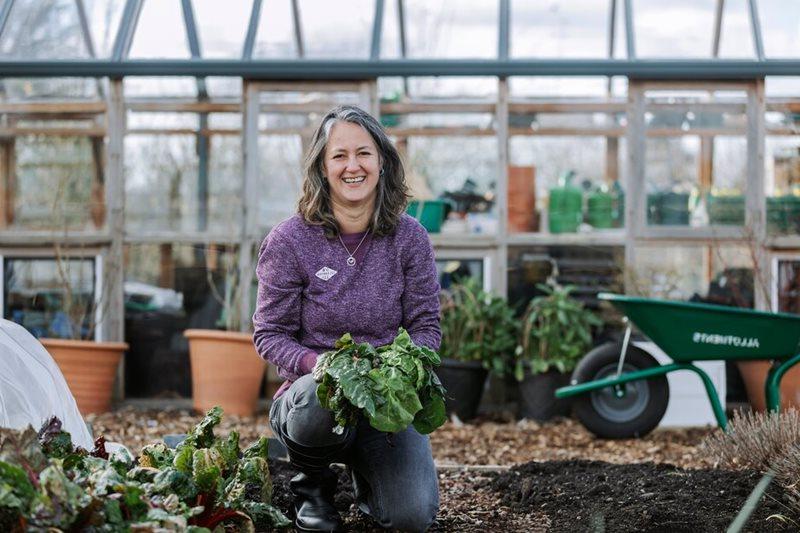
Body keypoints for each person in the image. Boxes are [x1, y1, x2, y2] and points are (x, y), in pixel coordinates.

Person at [253, 105, 441, 532]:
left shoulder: (410, 238)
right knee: (321, 399)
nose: (352, 166)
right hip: (314, 396)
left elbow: (427, 327)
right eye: (339, 156)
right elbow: (269, 334)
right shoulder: (290, 241)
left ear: (382, 163)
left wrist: (396, 370)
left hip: (384, 401)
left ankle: (368, 475)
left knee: (412, 517)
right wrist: (316, 365)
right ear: (322, 166)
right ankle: (312, 488)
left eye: (364, 154)